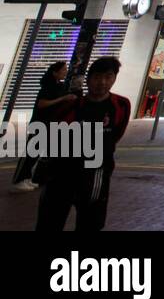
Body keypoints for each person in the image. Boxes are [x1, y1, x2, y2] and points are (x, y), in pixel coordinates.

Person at [35, 57, 131, 232]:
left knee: (90, 224)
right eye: (97, 77)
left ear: (114, 78)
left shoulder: (121, 106)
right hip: (61, 174)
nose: (102, 82)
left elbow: (116, 135)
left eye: (108, 77)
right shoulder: (70, 106)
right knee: (48, 223)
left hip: (95, 176)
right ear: (88, 79)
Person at [13, 61, 76, 191]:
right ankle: (18, 180)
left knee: (36, 153)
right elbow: (41, 104)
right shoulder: (48, 86)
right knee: (30, 153)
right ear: (55, 72)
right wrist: (62, 99)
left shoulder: (59, 86)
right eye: (63, 70)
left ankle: (27, 178)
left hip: (49, 123)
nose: (65, 71)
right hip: (40, 122)